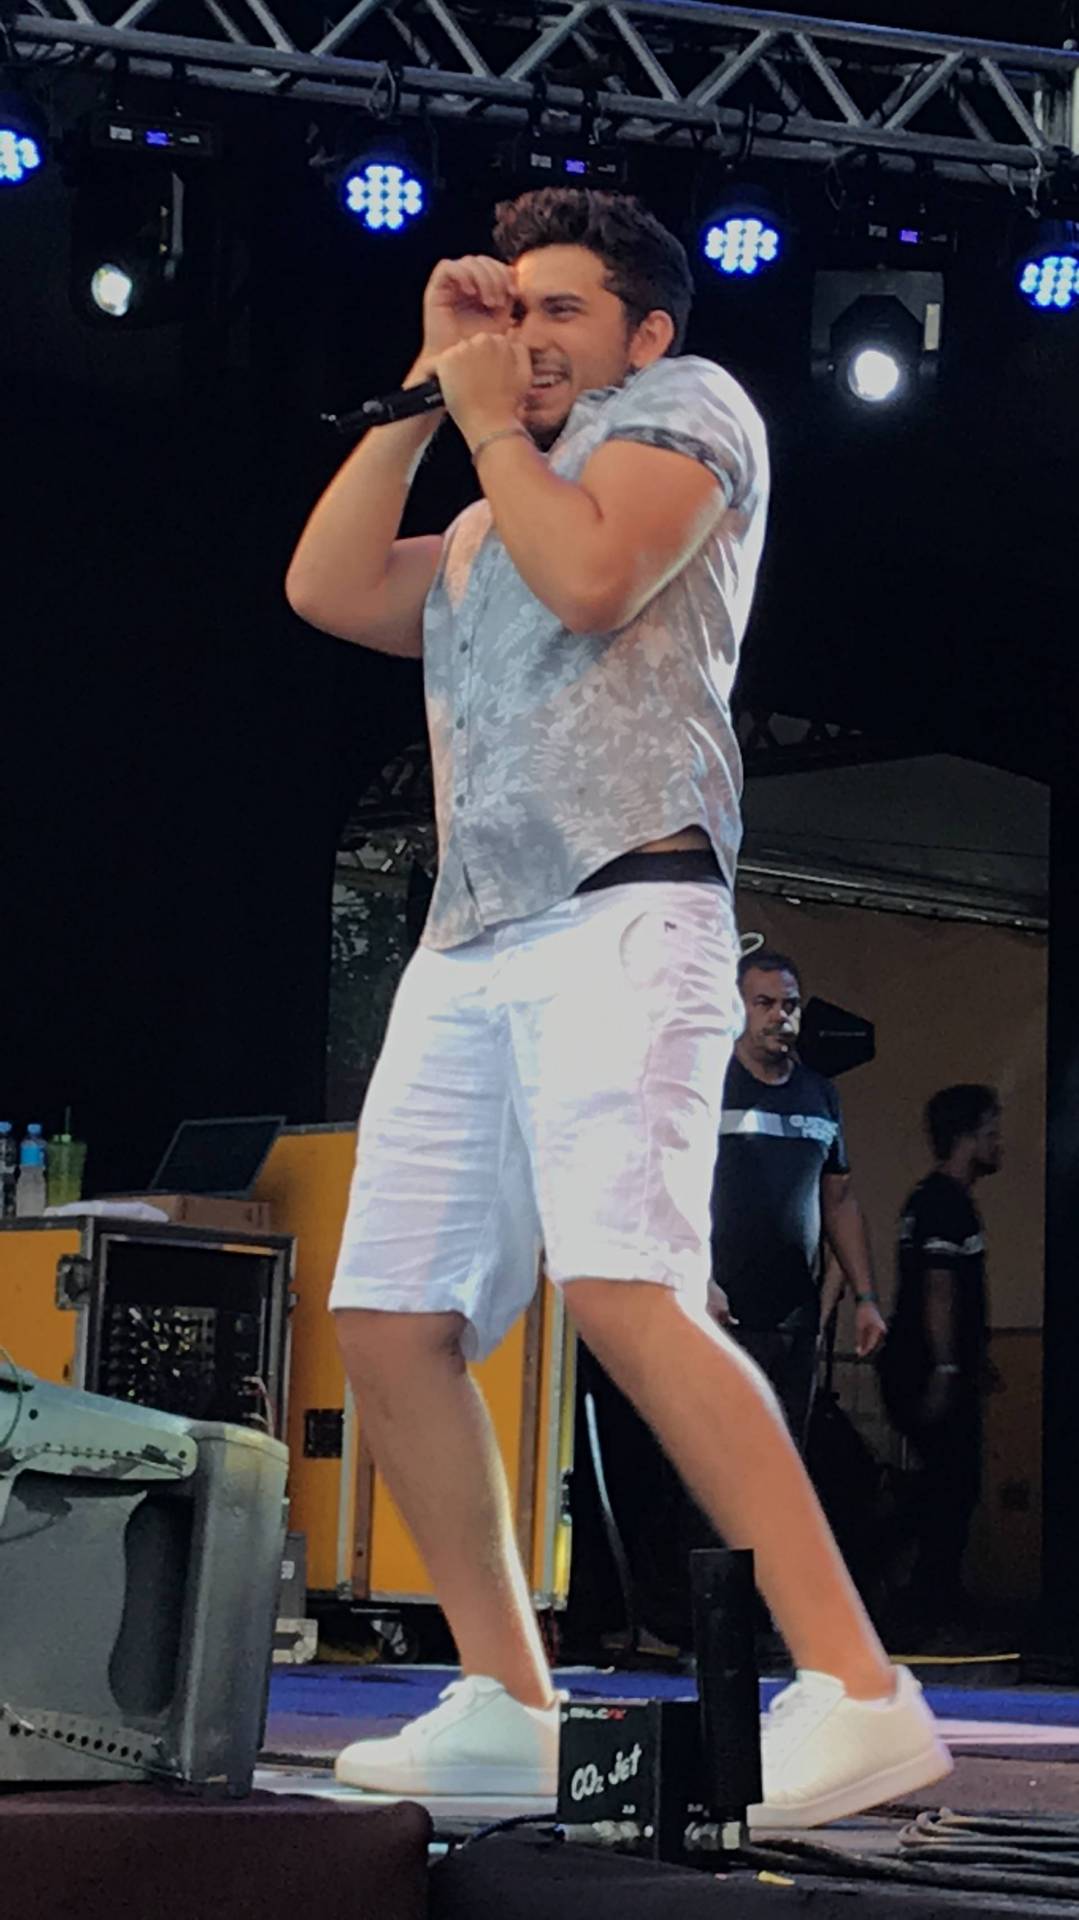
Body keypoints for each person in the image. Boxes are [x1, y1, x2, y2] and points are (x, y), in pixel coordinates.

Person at [286, 187, 950, 1826]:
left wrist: (483, 427)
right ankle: (505, 1701)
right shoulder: (485, 518)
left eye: (558, 310)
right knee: (389, 1315)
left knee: (624, 1288)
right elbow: (327, 587)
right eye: (509, 309)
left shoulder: (685, 410)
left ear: (642, 334)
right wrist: (420, 392)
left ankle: (857, 1687)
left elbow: (593, 579)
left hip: (623, 903)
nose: (523, 336)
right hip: (468, 942)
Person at [708, 950, 887, 1453]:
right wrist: (699, 1279)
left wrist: (866, 1299)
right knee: (716, 1466)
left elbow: (840, 1199)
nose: (779, 1016)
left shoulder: (820, 1094)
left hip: (793, 1322)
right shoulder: (710, 1084)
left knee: (782, 1462)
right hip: (719, 1314)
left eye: (789, 1004)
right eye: (763, 1003)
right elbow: (669, 1187)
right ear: (737, 1008)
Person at [879, 1084, 1002, 1633]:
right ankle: (921, 1596)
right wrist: (947, 1367)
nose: (999, 1144)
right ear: (966, 1137)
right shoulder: (946, 1205)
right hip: (927, 1367)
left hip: (925, 1364)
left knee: (945, 1483)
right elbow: (939, 1289)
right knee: (949, 1486)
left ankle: (929, 1592)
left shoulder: (928, 1200)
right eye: (991, 1132)